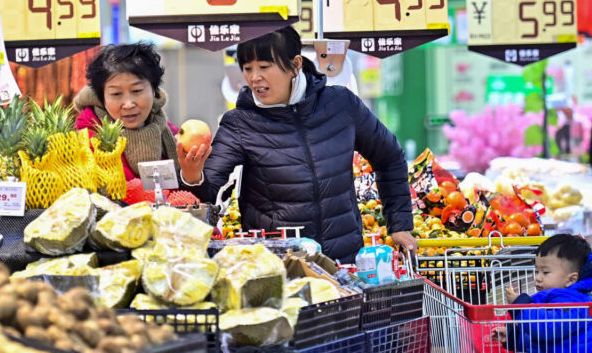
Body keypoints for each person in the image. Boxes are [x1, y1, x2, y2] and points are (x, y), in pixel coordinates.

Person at [178, 27, 415, 263]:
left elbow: (390, 157)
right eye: (247, 68)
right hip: (279, 268)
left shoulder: (341, 105)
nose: (254, 77)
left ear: (295, 64)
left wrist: (400, 223)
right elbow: (210, 190)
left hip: (344, 262)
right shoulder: (240, 123)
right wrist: (192, 178)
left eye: (264, 66)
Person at [74, 43, 187, 180]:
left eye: (137, 91)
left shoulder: (169, 131)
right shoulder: (87, 137)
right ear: (101, 97)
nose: (128, 104)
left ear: (154, 90)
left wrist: (193, 176)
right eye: (116, 94)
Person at [495, 234, 592, 353]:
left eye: (545, 272)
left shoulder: (573, 303)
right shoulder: (558, 297)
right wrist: (514, 337)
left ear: (571, 279)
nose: (538, 278)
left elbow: (546, 330)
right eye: (537, 271)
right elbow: (546, 342)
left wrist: (520, 305)